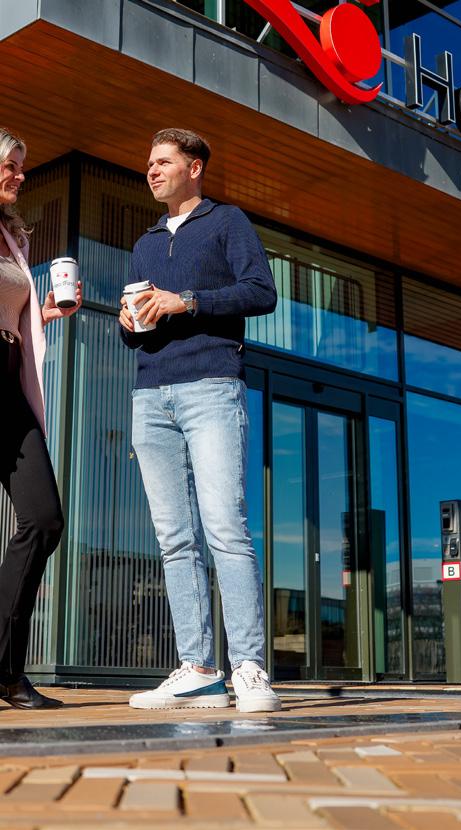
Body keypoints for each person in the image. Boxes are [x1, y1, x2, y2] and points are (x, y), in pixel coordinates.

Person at [119, 128, 280, 712]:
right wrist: (129, 321)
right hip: (150, 394)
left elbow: (261, 292)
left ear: (194, 167)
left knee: (225, 529)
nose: (151, 170)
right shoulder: (144, 242)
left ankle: (250, 668)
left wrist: (186, 300)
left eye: (163, 161)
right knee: (174, 539)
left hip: (212, 386)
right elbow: (139, 325)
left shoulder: (227, 221)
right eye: (149, 162)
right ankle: (198, 670)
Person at [0, 128, 82, 709]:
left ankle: (6, 670)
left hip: (8, 382)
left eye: (21, 167)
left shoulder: (12, 235)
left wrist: (40, 316)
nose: (20, 175)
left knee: (44, 520)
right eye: (10, 165)